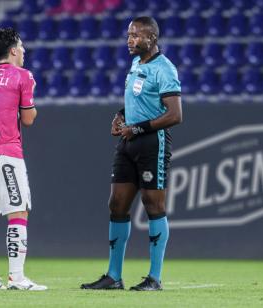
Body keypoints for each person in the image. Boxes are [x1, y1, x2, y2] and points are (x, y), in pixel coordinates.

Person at [80, 16, 182, 291]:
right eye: (128, 35)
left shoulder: (165, 69)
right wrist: (121, 115)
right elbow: (138, 101)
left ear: (152, 38)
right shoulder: (137, 64)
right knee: (117, 204)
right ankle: (114, 276)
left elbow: (175, 114)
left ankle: (155, 278)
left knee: (153, 205)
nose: (130, 40)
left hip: (152, 143)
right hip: (128, 142)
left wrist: (137, 129)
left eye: (136, 36)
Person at [0, 28, 46, 291]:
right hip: (6, 151)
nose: (24, 51)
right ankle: (16, 277)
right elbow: (28, 119)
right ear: (13, 50)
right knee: (18, 211)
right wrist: (32, 105)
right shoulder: (23, 76)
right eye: (22, 47)